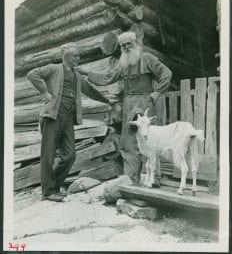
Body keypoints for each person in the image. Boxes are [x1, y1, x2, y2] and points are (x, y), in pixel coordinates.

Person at [78, 32, 172, 186]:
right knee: (128, 141)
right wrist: (86, 72)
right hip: (128, 104)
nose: (127, 47)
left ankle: (153, 178)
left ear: (136, 43)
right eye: (123, 45)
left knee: (149, 139)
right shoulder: (122, 64)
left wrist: (156, 93)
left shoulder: (147, 59)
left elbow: (166, 74)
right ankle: (131, 179)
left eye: (129, 44)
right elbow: (107, 78)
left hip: (145, 102)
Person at [27, 43, 110, 202]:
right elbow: (32, 74)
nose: (78, 58)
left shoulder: (77, 76)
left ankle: (54, 187)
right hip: (52, 116)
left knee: (70, 155)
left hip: (67, 120)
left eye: (79, 55)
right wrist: (44, 92)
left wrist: (107, 101)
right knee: (48, 155)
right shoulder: (54, 68)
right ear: (65, 57)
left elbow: (90, 91)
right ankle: (48, 192)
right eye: (75, 56)